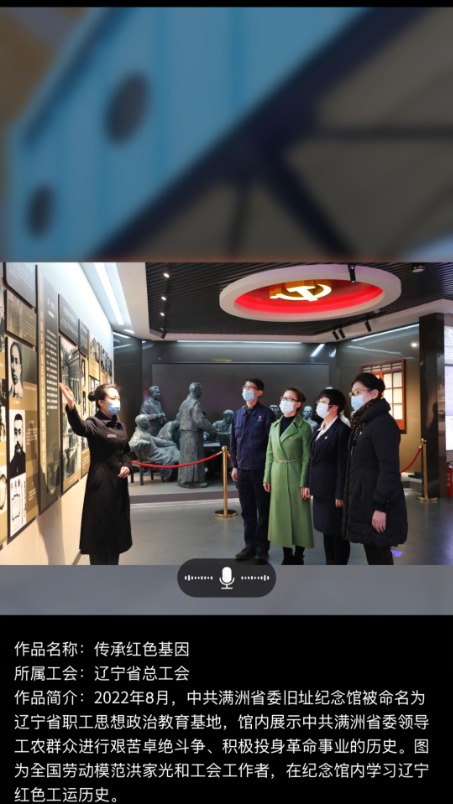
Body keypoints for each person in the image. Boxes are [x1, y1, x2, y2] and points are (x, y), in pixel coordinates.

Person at [59, 382, 132, 565]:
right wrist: (71, 406)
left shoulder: (121, 425)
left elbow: (126, 452)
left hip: (118, 486)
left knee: (115, 533)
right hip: (101, 486)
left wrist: (127, 465)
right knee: (99, 532)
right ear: (101, 402)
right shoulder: (94, 423)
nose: (117, 401)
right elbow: (79, 427)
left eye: (118, 398)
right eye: (113, 398)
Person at [342, 372, 408, 565]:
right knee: (373, 550)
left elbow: (389, 469)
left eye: (358, 392)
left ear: (374, 393)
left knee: (379, 553)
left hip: (375, 500)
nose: (353, 397)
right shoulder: (364, 422)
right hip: (364, 496)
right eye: (352, 393)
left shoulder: (382, 423)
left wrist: (380, 507)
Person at [264, 387, 313, 564]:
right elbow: (270, 453)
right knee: (280, 515)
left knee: (300, 516)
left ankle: (299, 555)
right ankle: (287, 554)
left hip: (296, 473)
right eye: (283, 398)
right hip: (277, 474)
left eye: (290, 399)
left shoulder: (304, 427)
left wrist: (305, 482)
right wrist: (267, 477)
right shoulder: (274, 426)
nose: (285, 401)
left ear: (298, 404)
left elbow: (307, 457)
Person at [303, 388, 351, 564]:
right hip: (320, 489)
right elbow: (312, 458)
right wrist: (307, 483)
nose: (319, 405)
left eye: (323, 402)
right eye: (319, 401)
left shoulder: (342, 430)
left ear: (334, 407)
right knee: (326, 530)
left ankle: (339, 567)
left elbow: (343, 464)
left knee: (337, 533)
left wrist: (340, 493)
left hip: (333, 492)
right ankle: (330, 564)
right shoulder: (319, 428)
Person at [230, 378, 275, 565]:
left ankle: (262, 549)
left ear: (259, 392)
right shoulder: (238, 414)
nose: (247, 390)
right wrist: (234, 465)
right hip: (243, 470)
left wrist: (269, 473)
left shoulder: (267, 414)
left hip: (260, 470)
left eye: (251, 387)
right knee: (247, 511)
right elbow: (233, 442)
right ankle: (249, 547)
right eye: (245, 387)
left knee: (263, 512)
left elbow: (271, 445)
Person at [177, 382, 216, 488]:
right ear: (197, 390)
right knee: (194, 457)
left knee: (186, 457)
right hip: (193, 434)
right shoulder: (195, 403)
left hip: (185, 434)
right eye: (200, 390)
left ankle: (183, 479)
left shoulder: (184, 402)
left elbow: (182, 417)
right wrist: (213, 430)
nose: (201, 392)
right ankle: (192, 481)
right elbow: (200, 421)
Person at [130, 414, 180, 481]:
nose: (149, 422)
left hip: (155, 452)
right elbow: (131, 445)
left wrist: (171, 443)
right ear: (142, 424)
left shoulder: (144, 432)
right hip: (151, 456)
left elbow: (157, 441)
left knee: (172, 448)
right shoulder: (138, 434)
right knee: (170, 455)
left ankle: (175, 472)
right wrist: (142, 442)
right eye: (147, 421)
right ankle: (171, 475)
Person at [9, 412, 26, 477]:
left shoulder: (26, 460)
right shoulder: (11, 464)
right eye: (15, 432)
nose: (17, 439)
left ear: (23, 434)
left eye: (20, 432)